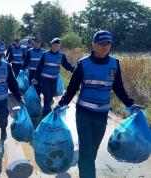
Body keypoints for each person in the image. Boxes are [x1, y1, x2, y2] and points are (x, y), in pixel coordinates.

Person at [54, 30, 144, 178]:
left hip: (102, 116)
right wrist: (62, 104)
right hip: (84, 114)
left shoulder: (115, 64)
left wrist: (130, 104)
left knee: (92, 151)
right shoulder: (83, 64)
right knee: (85, 152)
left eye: (108, 43)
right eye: (101, 43)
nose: (105, 46)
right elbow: (72, 88)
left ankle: (86, 171)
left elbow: (119, 87)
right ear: (93, 45)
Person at [32, 38, 74, 118]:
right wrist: (35, 78)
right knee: (47, 97)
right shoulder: (45, 54)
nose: (56, 47)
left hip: (54, 81)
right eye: (54, 45)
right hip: (45, 80)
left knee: (50, 98)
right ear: (51, 45)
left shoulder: (61, 56)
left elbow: (67, 66)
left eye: (58, 46)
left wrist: (75, 71)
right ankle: (46, 116)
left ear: (59, 46)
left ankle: (46, 111)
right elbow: (39, 68)